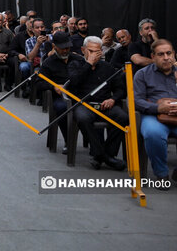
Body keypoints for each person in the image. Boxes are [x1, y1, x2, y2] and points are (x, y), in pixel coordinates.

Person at [68, 36, 128, 170]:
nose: (94, 55)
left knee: (122, 117)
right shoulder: (75, 64)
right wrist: (88, 64)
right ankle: (105, 157)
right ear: (83, 50)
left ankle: (104, 154)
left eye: (97, 51)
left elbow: (120, 89)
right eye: (91, 51)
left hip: (104, 104)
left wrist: (113, 99)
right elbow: (74, 83)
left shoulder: (107, 67)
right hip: (84, 104)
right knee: (83, 118)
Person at [133, 39, 177, 185]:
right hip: (153, 115)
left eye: (169, 53)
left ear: (174, 54)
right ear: (153, 57)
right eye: (161, 54)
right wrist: (158, 108)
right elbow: (136, 101)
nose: (166, 57)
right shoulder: (142, 74)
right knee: (153, 134)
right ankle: (162, 174)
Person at [37, 31, 79, 154]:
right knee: (62, 108)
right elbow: (39, 83)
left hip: (78, 94)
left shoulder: (77, 59)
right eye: (62, 48)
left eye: (67, 48)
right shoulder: (48, 63)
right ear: (54, 47)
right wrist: (54, 86)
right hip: (60, 98)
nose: (65, 51)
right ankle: (68, 140)